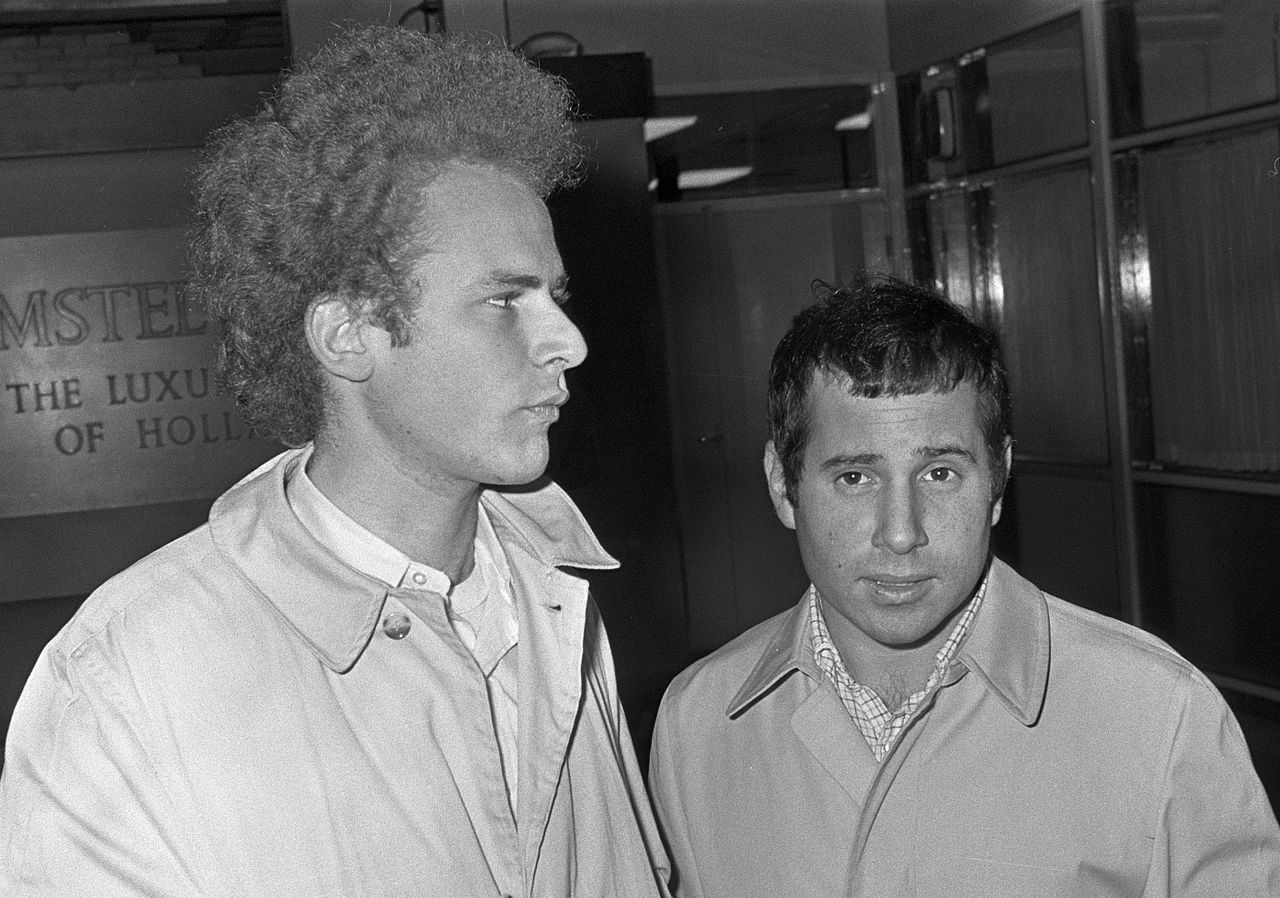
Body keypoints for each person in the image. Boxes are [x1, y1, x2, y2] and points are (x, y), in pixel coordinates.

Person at [0, 25, 670, 897]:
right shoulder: (131, 675)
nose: (569, 343)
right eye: (505, 300)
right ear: (349, 334)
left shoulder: (556, 594)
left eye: (557, 296)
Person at [648, 275, 1280, 897]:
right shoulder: (697, 725)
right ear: (783, 486)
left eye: (940, 473)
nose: (901, 534)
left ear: (997, 480)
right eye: (854, 478)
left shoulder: (1159, 713)